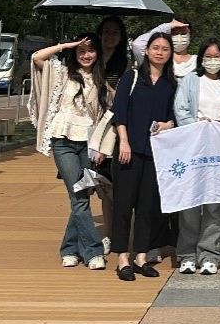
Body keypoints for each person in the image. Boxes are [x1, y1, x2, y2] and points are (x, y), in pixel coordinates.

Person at [29, 34, 109, 270]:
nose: (86, 55)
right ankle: (93, 251)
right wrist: (66, 45)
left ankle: (69, 249)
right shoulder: (62, 73)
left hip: (88, 143)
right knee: (78, 195)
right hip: (63, 141)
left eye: (91, 50)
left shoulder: (101, 81)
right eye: (81, 51)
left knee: (83, 194)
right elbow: (37, 58)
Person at [111, 31, 177, 281]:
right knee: (123, 205)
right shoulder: (132, 76)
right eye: (156, 47)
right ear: (147, 51)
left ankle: (141, 256)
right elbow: (119, 112)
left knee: (147, 207)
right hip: (129, 150)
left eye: (165, 49)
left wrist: (167, 124)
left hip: (155, 152)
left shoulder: (170, 84)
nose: (160, 52)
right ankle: (122, 258)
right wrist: (124, 141)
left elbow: (173, 116)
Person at [172, 38, 220, 275]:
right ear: (201, 58)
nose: (212, 61)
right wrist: (197, 124)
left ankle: (210, 253)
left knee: (215, 204)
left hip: (219, 150)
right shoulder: (191, 80)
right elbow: (181, 109)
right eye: (208, 56)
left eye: (217, 56)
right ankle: (187, 254)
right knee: (190, 203)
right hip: (194, 148)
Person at [93, 16, 130, 252]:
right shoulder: (90, 58)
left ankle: (111, 234)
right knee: (93, 185)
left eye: (115, 32)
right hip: (88, 126)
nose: (110, 36)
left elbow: (123, 98)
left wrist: (109, 89)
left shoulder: (124, 65)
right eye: (106, 31)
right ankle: (98, 234)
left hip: (111, 129)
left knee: (110, 185)